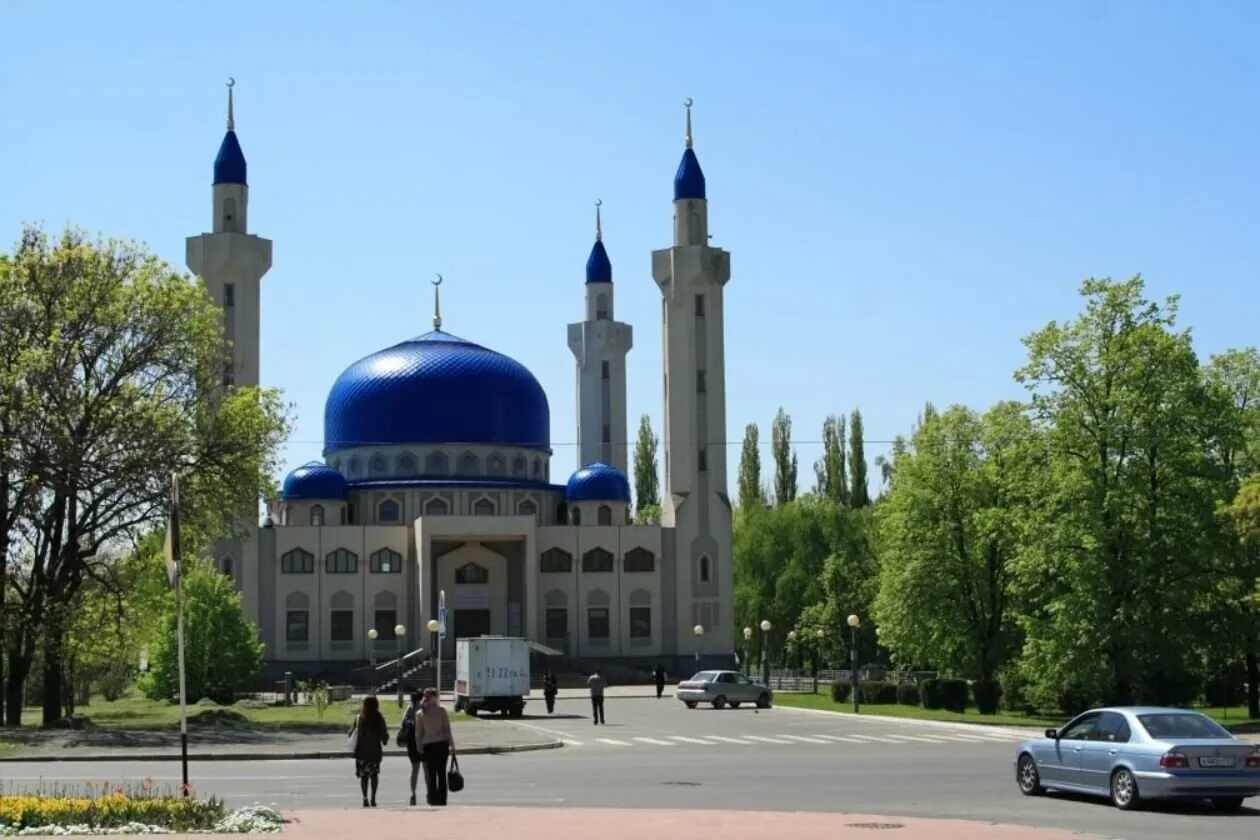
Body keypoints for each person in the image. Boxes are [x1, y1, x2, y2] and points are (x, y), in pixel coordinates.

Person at [417, 687, 455, 806]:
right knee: (441, 773)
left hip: (428, 746)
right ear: (435, 697)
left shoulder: (420, 713)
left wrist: (419, 747)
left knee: (431, 774)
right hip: (441, 745)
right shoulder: (442, 711)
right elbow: (447, 730)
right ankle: (442, 800)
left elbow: (419, 733)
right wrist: (452, 745)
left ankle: (432, 799)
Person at [350, 695, 389, 808]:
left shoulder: (359, 718)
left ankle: (365, 798)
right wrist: (384, 740)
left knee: (364, 777)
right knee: (374, 775)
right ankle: (373, 798)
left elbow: (351, 733)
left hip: (361, 752)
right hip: (375, 752)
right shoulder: (378, 717)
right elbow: (384, 733)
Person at [398, 691, 424, 806]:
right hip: (422, 740)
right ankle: (429, 792)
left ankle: (413, 793)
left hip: (411, 742)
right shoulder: (422, 710)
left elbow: (402, 724)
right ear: (419, 700)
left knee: (415, 769)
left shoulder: (409, 709)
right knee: (427, 769)